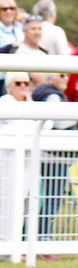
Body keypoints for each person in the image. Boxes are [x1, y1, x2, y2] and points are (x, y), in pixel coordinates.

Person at [31, 72, 76, 253]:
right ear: (51, 79)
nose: (66, 78)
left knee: (47, 198)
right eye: (62, 75)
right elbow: (61, 122)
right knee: (52, 198)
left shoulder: (50, 93)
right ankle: (43, 239)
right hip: (53, 156)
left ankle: (40, 237)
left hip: (49, 154)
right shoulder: (53, 95)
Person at [0, 72, 35, 243]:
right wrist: (33, 121)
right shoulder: (5, 101)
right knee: (1, 200)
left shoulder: (31, 103)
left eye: (26, 83)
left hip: (26, 160)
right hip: (5, 158)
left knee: (20, 201)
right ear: (9, 86)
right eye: (18, 83)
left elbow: (46, 124)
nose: (23, 86)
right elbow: (21, 125)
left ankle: (13, 242)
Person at [13, 15, 47, 85]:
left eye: (39, 29)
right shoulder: (20, 52)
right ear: (25, 31)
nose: (37, 32)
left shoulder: (43, 52)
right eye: (33, 29)